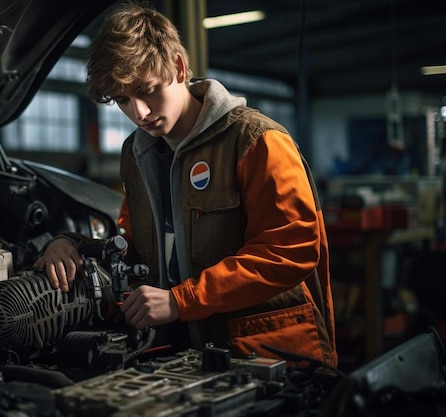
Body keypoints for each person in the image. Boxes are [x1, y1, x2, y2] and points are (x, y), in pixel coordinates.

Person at [34, 0, 338, 367]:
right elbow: (137, 249)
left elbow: (290, 250)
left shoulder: (255, 140)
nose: (139, 113)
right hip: (183, 356)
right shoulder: (137, 153)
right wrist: (72, 246)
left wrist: (182, 301)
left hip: (267, 353)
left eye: (146, 90)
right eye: (122, 100)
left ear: (178, 68)